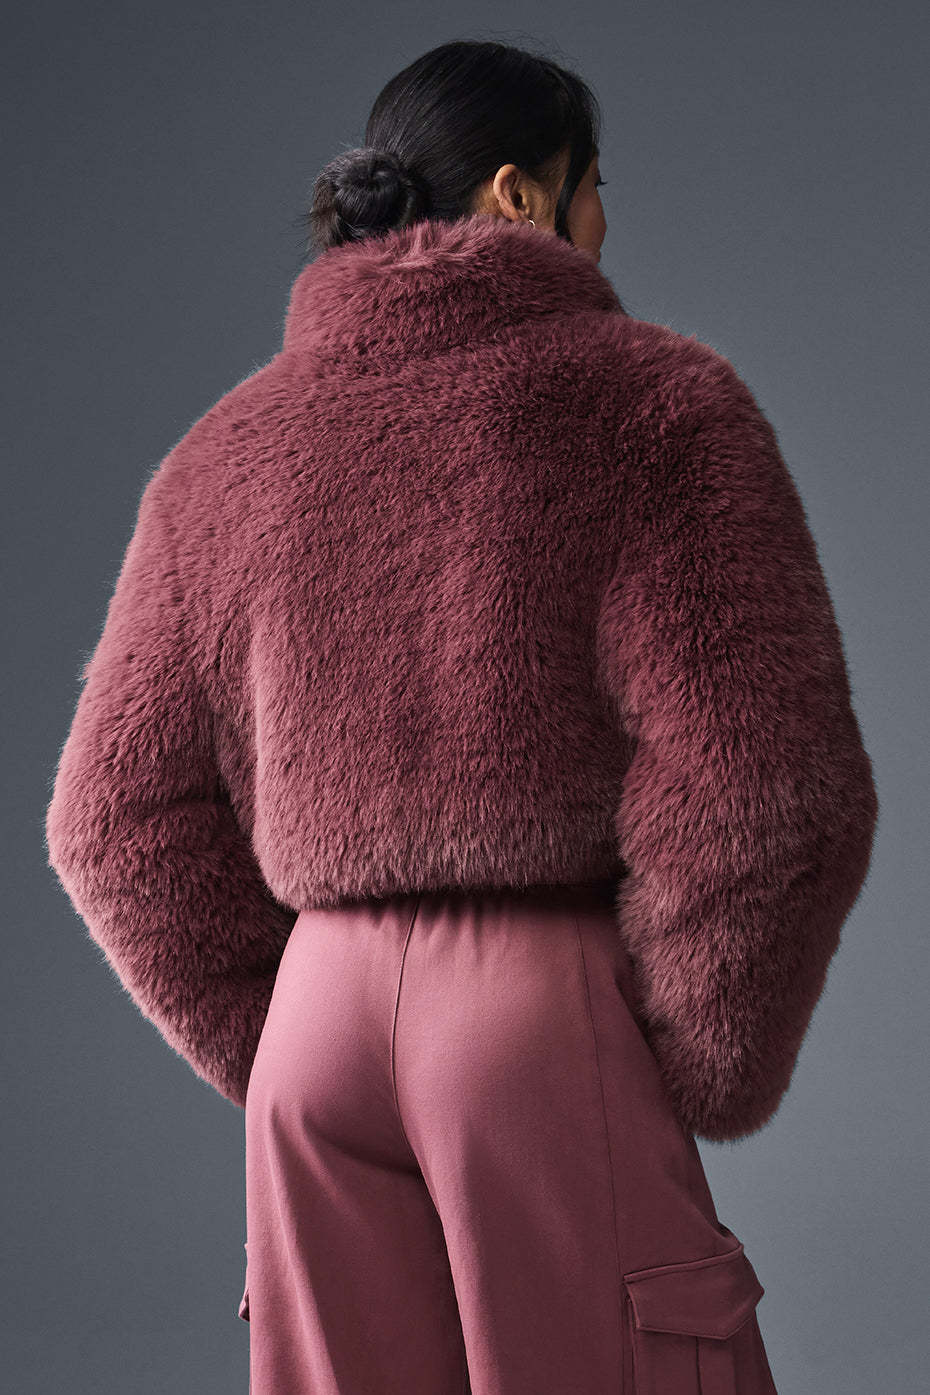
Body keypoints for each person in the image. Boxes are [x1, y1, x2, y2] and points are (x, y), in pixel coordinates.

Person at [44, 37, 878, 1395]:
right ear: (517, 195)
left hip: (315, 1031)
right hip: (537, 1015)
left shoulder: (220, 457)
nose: (604, 227)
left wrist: (280, 1033)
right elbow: (765, 781)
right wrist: (691, 1051)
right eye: (593, 189)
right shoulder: (653, 404)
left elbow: (109, 817)